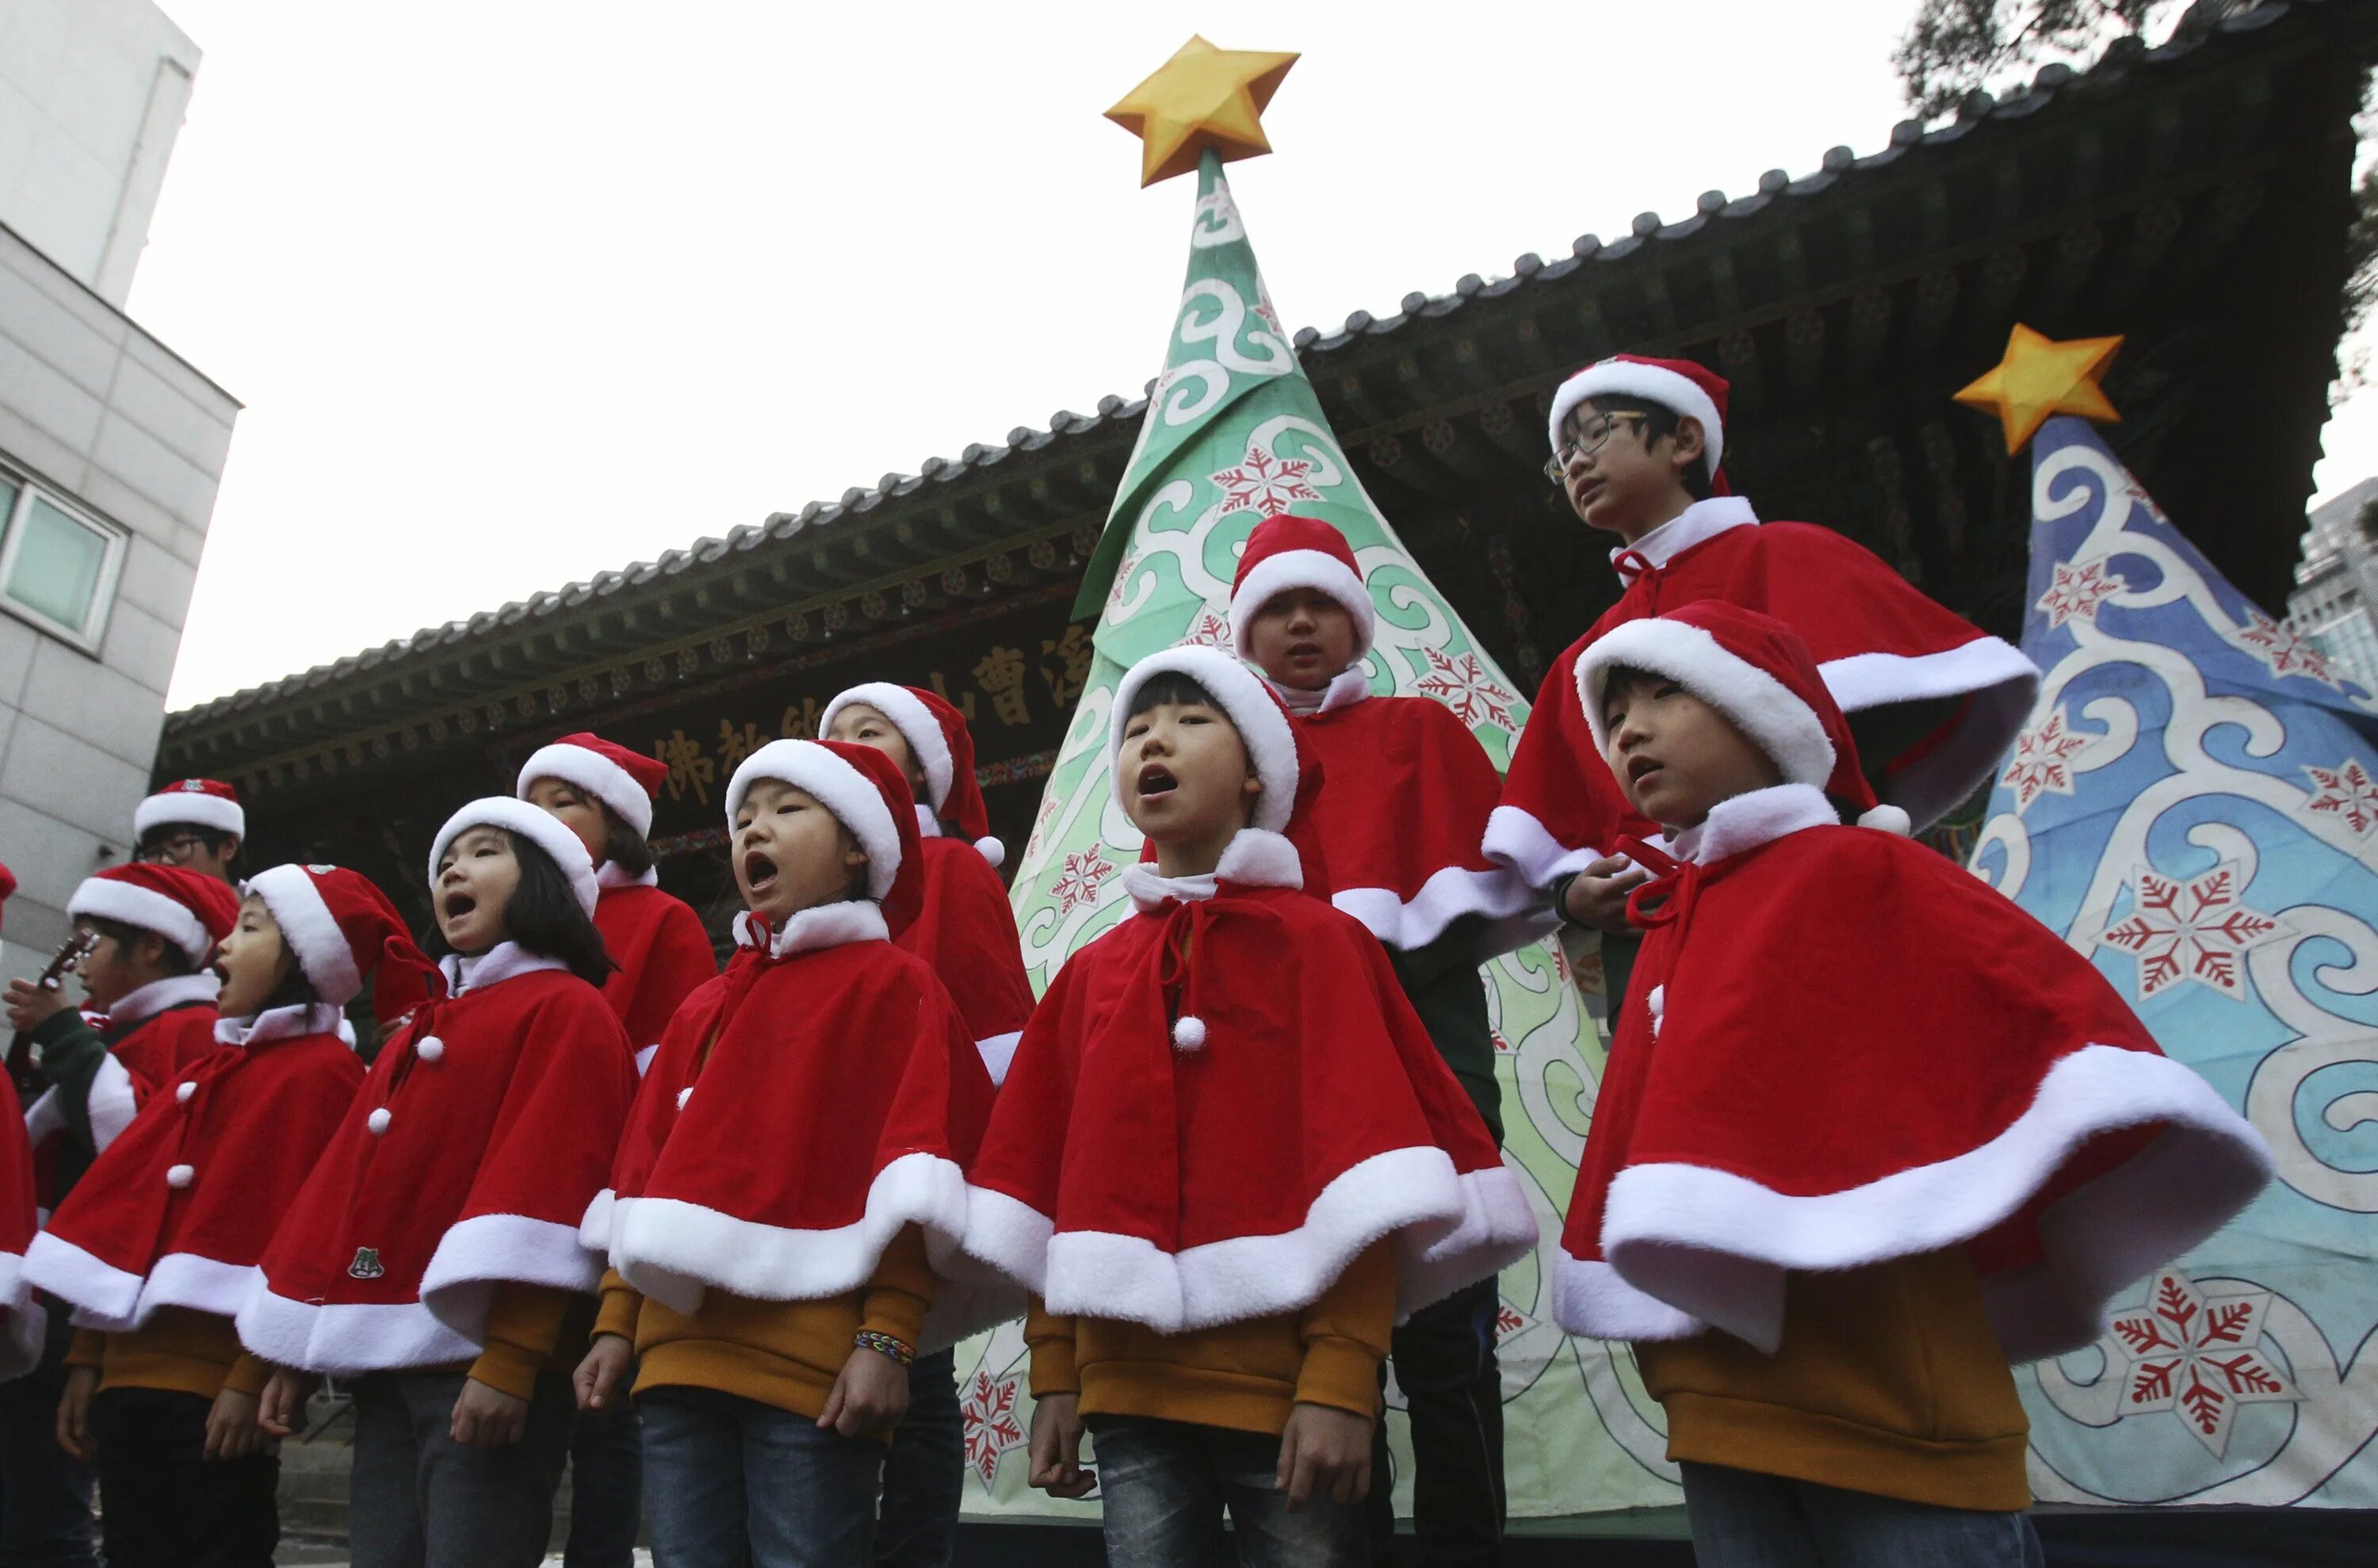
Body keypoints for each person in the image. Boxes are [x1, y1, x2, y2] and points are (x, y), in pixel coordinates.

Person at [1553, 602, 2272, 1568]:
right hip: (1717, 1416)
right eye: (1614, 713)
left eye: (1663, 691)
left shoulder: (1854, 870)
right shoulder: (1673, 924)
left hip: (1895, 1413)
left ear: (1766, 713)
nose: (1628, 727)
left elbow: (2022, 1011)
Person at [961, 645, 1535, 1568]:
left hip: (1286, 1390)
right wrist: (1057, 1372)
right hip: (1127, 1394)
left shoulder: (1324, 948)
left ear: (1260, 769)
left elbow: (1369, 1180)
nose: (1156, 741)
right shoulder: (1090, 976)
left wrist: (1343, 1375)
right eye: (1138, 730)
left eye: (1191, 722)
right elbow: (1048, 1187)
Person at [1487, 354, 2036, 1008]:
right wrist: (1574, 897)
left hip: (1806, 887)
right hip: (1658, 937)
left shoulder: (1786, 556)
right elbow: (1562, 823)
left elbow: (1882, 721)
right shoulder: (1584, 656)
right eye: (1562, 452)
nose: (1574, 461)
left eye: (1597, 430)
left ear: (1685, 441)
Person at [574, 739, 997, 1568]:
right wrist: (616, 1323)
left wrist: (886, 1342)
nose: (753, 830)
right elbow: (643, 1182)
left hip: (810, 1369)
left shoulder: (897, 988)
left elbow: (916, 1184)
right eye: (743, 817)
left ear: (858, 846)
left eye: (786, 809)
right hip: (674, 1363)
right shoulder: (705, 1008)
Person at [1227, 514, 1535, 1567]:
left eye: (1320, 604)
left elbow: (1467, 921)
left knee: (1449, 1348)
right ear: (1245, 632)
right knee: (1319, 1355)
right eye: (1278, 607)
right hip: (1294, 1095)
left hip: (1431, 1074)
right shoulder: (1228, 768)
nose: (1302, 623)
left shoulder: (1420, 732)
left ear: (1357, 622)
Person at [235, 800, 638, 1568]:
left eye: (483, 852)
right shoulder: (420, 1029)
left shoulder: (569, 1010)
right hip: (388, 1368)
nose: (453, 869)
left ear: (546, 882)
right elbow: (343, 1193)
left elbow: (551, 1186)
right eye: (445, 860)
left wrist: (512, 1357)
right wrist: (289, 1346)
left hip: (484, 1364)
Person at [29, 865, 431, 1568]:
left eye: (249, 929)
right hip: (128, 1379)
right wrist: (89, 1359)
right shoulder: (208, 1070)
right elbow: (131, 1217)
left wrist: (252, 1377)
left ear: (307, 957)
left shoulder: (323, 1077)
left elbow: (307, 1240)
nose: (220, 948)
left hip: (214, 1394)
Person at [820, 682, 1035, 1568]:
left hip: (916, 1147)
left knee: (921, 1364)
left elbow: (991, 1014)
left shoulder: (949, 869)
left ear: (920, 764)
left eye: (871, 733)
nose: (848, 745)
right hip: (834, 1152)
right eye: (834, 736)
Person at [516, 732, 715, 1568]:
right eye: (533, 801)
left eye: (569, 801)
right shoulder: (518, 935)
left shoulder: (662, 921)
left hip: (610, 1198)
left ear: (619, 824)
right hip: (527, 1198)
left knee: (606, 1416)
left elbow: (677, 1076)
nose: (545, 819)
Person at [1, 863, 235, 1568]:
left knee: (43, 1511)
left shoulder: (191, 1028)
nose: (82, 961)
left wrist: (67, 1040)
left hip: (93, 1306)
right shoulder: (130, 1030)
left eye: (93, 941)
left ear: (151, 947)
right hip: (61, 1294)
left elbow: (139, 1146)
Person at [131, 780, 247, 885]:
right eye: (153, 853)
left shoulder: (259, 905)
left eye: (179, 845)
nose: (165, 861)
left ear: (228, 848)